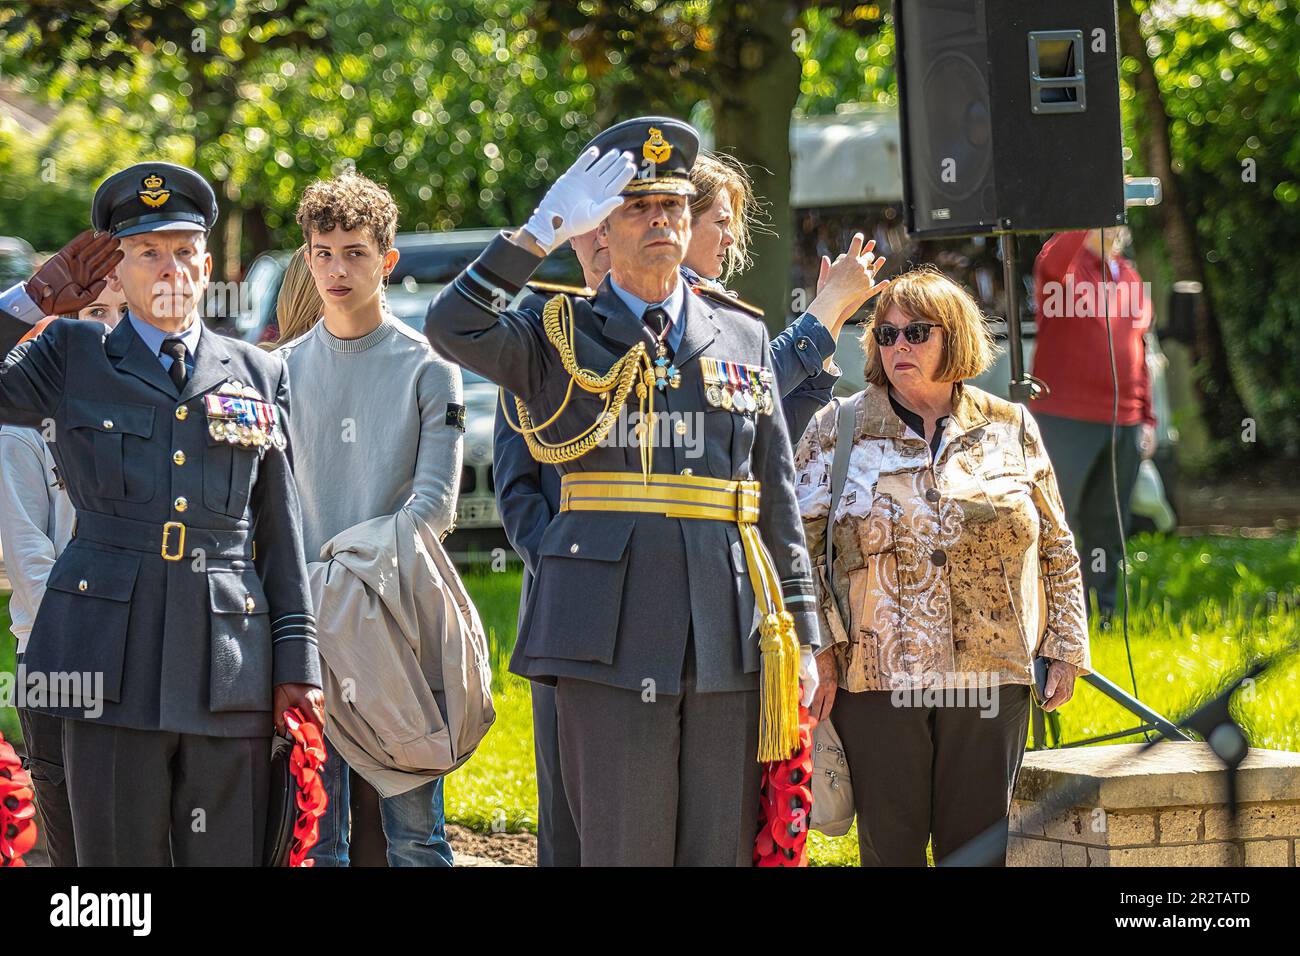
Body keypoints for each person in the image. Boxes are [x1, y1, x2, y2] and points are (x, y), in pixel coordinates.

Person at [431, 116, 850, 866]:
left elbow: (773, 495)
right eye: (637, 208)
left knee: (715, 846)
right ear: (602, 228)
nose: (660, 221)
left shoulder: (742, 333)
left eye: (674, 207)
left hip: (729, 627)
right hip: (606, 629)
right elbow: (452, 325)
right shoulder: (555, 333)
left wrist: (806, 634)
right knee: (626, 842)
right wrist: (538, 233)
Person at [0, 162, 324, 866]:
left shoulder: (258, 372)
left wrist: (298, 662)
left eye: (183, 251)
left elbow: (280, 531)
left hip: (228, 664)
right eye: (147, 252)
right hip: (105, 660)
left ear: (207, 267)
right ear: (115, 270)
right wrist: (26, 303)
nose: (168, 267)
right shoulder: (71, 351)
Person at [797, 266, 1091, 866]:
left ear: (953, 336)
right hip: (875, 678)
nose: (897, 346)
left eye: (915, 333)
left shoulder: (1009, 425)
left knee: (978, 851)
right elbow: (794, 547)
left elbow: (1056, 542)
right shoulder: (838, 427)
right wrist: (819, 648)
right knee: (892, 850)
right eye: (885, 335)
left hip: (992, 672)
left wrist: (1065, 641)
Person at [275, 171, 463, 867]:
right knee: (318, 837)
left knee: (418, 839)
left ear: (387, 261)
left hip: (396, 633)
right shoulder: (279, 374)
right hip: (305, 638)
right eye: (322, 252)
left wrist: (339, 580)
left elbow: (433, 509)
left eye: (354, 252)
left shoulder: (428, 368)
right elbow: (269, 511)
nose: (336, 268)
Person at [0, 280, 128, 866]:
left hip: (139, 657)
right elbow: (30, 561)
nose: (110, 327)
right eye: (96, 312)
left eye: (125, 312)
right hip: (57, 660)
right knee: (75, 843)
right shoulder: (21, 428)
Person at [1031, 227, 1155, 617]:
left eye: (1116, 218)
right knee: (1055, 522)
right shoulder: (1064, 264)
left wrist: (1146, 417)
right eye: (1103, 218)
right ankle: (1053, 618)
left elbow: (1140, 350)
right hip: (1065, 419)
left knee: (1108, 527)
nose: (1112, 227)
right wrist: (1090, 194)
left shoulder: (1128, 275)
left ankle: (1104, 614)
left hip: (1123, 422)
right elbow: (1053, 258)